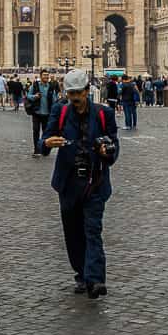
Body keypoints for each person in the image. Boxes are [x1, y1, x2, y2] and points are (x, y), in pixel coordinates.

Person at [39, 69, 120, 299]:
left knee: (93, 230)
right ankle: (81, 273)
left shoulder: (104, 114)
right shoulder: (60, 111)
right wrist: (47, 143)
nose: (74, 97)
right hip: (69, 182)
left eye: (77, 93)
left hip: (95, 183)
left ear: (87, 91)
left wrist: (107, 152)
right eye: (70, 93)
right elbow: (43, 140)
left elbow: (114, 145)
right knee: (73, 233)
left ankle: (95, 280)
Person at [26, 70, 59, 155]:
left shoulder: (51, 86)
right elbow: (28, 96)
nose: (46, 77)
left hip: (47, 113)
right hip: (36, 112)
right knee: (36, 130)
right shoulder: (35, 85)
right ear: (40, 76)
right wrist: (35, 96)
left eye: (47, 75)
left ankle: (44, 148)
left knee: (46, 132)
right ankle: (36, 149)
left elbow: (54, 99)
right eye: (44, 75)